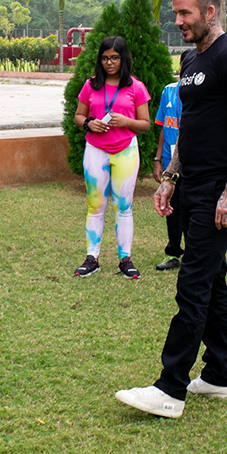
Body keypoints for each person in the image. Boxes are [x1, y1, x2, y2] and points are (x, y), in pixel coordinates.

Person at [115, 0, 227, 418]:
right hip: (193, 185)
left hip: (221, 191)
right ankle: (219, 374)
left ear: (210, 12)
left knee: (193, 282)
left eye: (185, 13)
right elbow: (191, 124)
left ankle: (170, 388)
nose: (178, 20)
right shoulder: (193, 60)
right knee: (212, 279)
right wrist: (170, 177)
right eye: (176, 13)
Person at [72, 36, 151, 279]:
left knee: (124, 207)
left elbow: (145, 124)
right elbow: (78, 116)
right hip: (95, 150)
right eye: (105, 58)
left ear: (123, 58)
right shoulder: (91, 85)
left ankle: (125, 260)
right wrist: (89, 123)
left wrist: (127, 121)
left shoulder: (136, 87)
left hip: (126, 150)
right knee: (95, 206)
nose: (109, 63)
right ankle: (92, 258)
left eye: (114, 58)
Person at [153, 50, 191, 271]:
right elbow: (162, 127)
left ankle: (192, 254)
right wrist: (158, 159)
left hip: (192, 160)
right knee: (171, 206)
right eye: (184, 63)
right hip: (169, 160)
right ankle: (174, 252)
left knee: (190, 206)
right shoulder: (168, 91)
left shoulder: (200, 92)